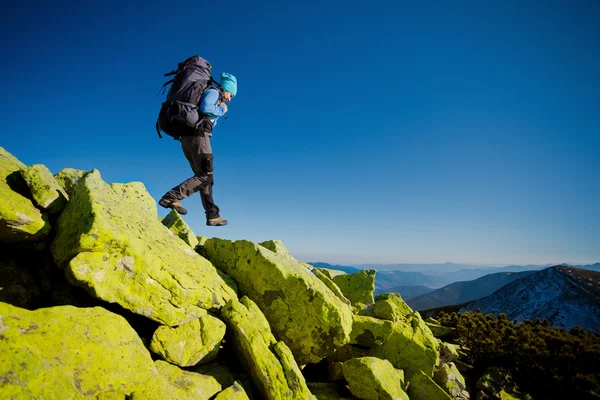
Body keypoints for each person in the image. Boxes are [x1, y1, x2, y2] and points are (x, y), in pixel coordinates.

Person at [158, 72, 237, 226]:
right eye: (230, 94)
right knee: (205, 176)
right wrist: (222, 110)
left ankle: (213, 215)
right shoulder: (214, 92)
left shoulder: (211, 93)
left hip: (188, 139)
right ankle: (171, 197)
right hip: (199, 137)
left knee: (205, 178)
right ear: (225, 88)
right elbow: (206, 108)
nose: (229, 98)